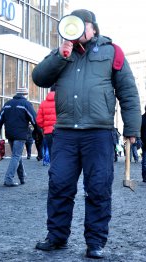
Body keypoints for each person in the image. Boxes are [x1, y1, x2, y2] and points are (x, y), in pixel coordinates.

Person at [32, 9, 141, 259]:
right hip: (66, 133)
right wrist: (60, 55)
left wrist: (132, 128)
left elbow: (128, 92)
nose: (76, 31)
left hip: (99, 134)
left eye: (81, 26)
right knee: (59, 185)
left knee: (98, 188)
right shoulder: (62, 52)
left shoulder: (112, 51)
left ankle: (95, 242)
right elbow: (39, 77)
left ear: (93, 28)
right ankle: (57, 237)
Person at [0, 88, 37, 187]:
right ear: (25, 94)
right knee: (16, 156)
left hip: (9, 134)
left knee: (17, 155)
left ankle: (22, 178)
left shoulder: (7, 104)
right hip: (21, 134)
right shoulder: (26, 104)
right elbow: (34, 120)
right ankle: (8, 179)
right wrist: (38, 133)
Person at [36, 88, 56, 160]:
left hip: (48, 132)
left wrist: (44, 127)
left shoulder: (43, 103)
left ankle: (53, 168)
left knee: (51, 151)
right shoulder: (61, 102)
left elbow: (38, 120)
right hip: (60, 131)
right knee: (61, 152)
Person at [141, 106, 146, 182]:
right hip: (145, 142)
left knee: (145, 161)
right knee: (145, 161)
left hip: (144, 141)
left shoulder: (142, 118)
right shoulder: (142, 118)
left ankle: (144, 177)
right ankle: (145, 177)